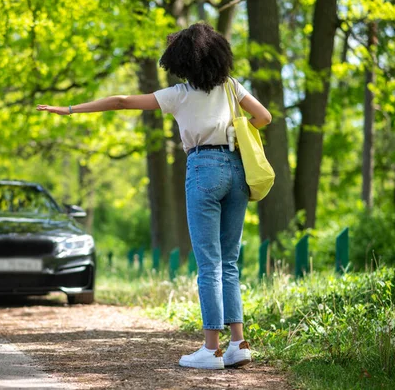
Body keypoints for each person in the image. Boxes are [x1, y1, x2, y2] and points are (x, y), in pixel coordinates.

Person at [36, 22, 272, 370]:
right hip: (237, 170)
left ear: (183, 62)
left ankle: (211, 349)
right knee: (229, 262)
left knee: (209, 263)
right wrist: (233, 131)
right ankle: (239, 344)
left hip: (203, 168)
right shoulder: (230, 87)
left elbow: (120, 101)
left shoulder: (178, 94)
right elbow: (263, 117)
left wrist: (69, 109)